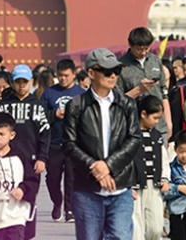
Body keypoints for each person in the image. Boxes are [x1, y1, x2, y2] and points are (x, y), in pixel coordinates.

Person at [64, 48, 141, 240]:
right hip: (87, 191)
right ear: (91, 73)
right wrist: (94, 168)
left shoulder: (127, 105)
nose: (113, 75)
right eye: (107, 71)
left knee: (121, 236)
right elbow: (68, 144)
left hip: (120, 188)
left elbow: (134, 139)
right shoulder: (76, 105)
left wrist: (108, 166)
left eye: (116, 70)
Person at [0, 64, 51, 238]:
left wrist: (42, 158)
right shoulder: (4, 106)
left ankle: (27, 234)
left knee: (28, 199)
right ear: (12, 82)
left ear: (31, 82)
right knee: (6, 198)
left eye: (25, 82)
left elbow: (45, 134)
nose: (21, 85)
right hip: (7, 161)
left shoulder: (38, 106)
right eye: (18, 81)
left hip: (31, 161)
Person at [0, 111, 39, 240]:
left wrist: (23, 190)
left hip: (16, 218)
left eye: (1, 134)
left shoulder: (20, 157)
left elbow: (32, 181)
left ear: (12, 135)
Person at [41, 57, 86, 222]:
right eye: (60, 75)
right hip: (54, 143)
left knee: (71, 178)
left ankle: (69, 209)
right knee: (52, 178)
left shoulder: (81, 93)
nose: (63, 79)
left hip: (73, 143)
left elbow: (87, 117)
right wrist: (55, 115)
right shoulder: (49, 93)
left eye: (66, 75)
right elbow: (40, 116)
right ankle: (57, 202)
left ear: (74, 74)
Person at [117, 27, 169, 137]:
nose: (143, 52)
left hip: (159, 125)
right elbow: (118, 100)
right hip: (134, 126)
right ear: (130, 45)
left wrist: (168, 121)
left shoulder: (155, 61)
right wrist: (138, 90)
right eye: (139, 49)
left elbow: (164, 92)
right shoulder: (121, 66)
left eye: (147, 48)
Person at [132, 94, 169, 240]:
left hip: (154, 184)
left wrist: (165, 178)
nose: (157, 122)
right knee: (136, 226)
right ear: (143, 114)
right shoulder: (131, 134)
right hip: (136, 185)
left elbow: (163, 158)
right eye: (155, 118)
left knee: (156, 227)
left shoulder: (157, 135)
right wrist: (127, 184)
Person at [163, 130, 186, 240]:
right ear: (175, 149)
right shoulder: (170, 168)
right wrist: (179, 188)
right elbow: (165, 190)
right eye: (181, 151)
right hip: (176, 211)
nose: (184, 155)